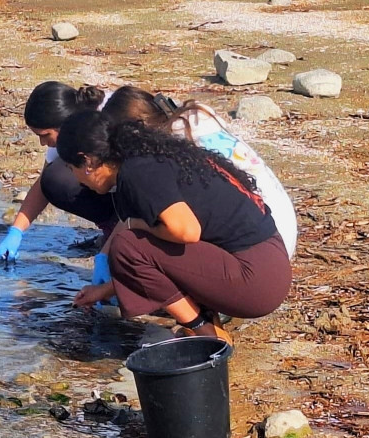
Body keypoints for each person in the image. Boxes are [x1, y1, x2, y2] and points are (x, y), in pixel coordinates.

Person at [55, 111, 292, 344]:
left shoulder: (137, 173)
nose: (76, 178)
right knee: (145, 239)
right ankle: (208, 319)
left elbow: (186, 231)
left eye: (71, 168)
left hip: (255, 282)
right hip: (270, 264)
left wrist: (135, 224)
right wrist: (105, 290)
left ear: (87, 160)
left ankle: (205, 332)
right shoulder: (150, 157)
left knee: (127, 245)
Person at [101, 86, 298, 259]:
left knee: (160, 231)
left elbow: (181, 225)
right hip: (278, 230)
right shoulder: (195, 120)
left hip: (256, 241)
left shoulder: (172, 146)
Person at [0, 82, 116, 287]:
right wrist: (16, 231)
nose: (42, 143)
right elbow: (44, 185)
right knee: (54, 178)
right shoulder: (69, 133)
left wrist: (107, 255)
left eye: (44, 136)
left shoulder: (111, 120)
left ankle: (121, 231)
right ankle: (113, 229)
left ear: (63, 125)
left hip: (146, 188)